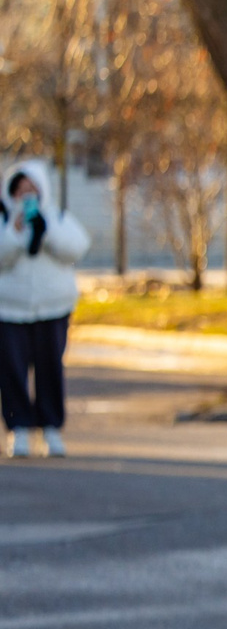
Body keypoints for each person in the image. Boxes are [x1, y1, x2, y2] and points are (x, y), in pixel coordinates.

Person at [0, 159, 89, 458]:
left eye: (32, 189)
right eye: (20, 190)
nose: (27, 196)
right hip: (9, 310)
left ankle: (51, 428)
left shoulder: (55, 217)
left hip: (53, 308)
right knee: (12, 370)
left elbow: (76, 248)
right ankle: (19, 430)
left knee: (50, 367)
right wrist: (14, 233)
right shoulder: (4, 220)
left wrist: (45, 230)